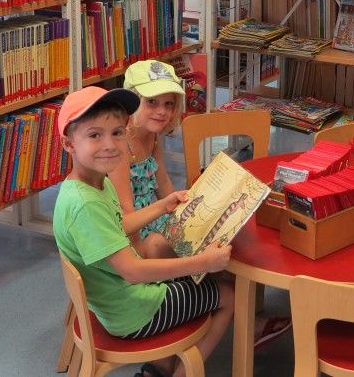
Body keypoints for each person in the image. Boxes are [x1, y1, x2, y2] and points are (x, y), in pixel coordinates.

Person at [52, 86, 234, 377]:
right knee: (227, 294)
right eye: (95, 135)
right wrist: (205, 262)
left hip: (119, 301)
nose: (110, 144)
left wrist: (162, 206)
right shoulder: (86, 204)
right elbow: (133, 272)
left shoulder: (93, 182)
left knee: (182, 267)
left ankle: (160, 368)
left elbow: (114, 229)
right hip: (135, 312)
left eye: (117, 133)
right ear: (68, 144)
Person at [108, 59, 185, 259]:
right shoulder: (120, 144)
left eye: (169, 104)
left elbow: (163, 181)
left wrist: (182, 216)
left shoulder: (152, 135)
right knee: (169, 246)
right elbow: (125, 210)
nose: (162, 111)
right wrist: (140, 252)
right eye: (152, 101)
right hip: (125, 232)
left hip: (148, 218)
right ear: (132, 101)